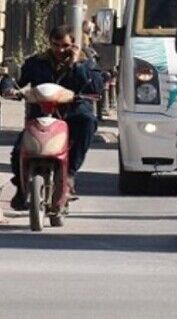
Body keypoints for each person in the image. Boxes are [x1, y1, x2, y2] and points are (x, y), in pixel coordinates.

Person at [4, 25, 104, 210]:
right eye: (55, 45)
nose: (60, 50)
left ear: (74, 44)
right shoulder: (36, 62)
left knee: (88, 121)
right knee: (19, 150)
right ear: (49, 43)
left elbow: (95, 86)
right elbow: (16, 79)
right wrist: (8, 87)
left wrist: (75, 64)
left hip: (73, 112)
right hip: (41, 113)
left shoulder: (86, 62)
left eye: (65, 45)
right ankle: (21, 186)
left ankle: (70, 176)